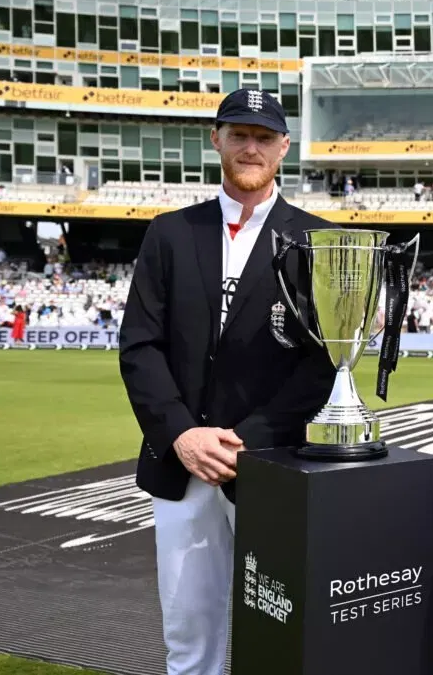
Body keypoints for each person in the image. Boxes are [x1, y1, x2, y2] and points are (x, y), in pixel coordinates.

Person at [120, 89, 336, 675]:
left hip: (271, 464)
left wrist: (250, 439)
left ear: (284, 148)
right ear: (215, 139)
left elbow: (323, 362)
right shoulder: (168, 232)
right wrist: (183, 435)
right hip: (181, 463)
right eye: (238, 134)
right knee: (189, 633)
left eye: (264, 137)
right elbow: (139, 346)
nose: (250, 147)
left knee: (286, 626)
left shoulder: (320, 239)